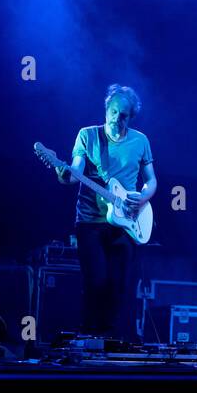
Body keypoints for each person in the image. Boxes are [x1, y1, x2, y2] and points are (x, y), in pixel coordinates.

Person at [55, 83, 156, 337]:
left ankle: (108, 343)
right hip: (91, 221)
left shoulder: (140, 141)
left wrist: (142, 198)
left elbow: (152, 181)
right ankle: (89, 340)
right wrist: (65, 175)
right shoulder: (88, 135)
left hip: (126, 222)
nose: (116, 118)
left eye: (123, 115)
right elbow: (75, 173)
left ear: (130, 117)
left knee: (118, 286)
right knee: (96, 282)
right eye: (113, 111)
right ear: (106, 109)